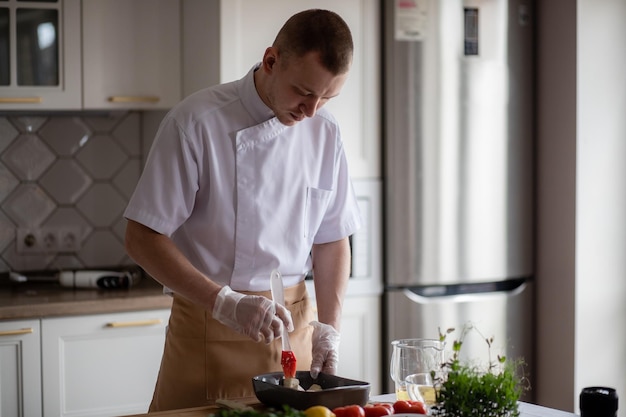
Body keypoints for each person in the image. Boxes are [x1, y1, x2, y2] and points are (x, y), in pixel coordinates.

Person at [124, 8, 361, 412]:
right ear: (271, 61)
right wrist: (224, 303)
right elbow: (141, 237)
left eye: (327, 98)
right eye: (303, 92)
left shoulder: (326, 132)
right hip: (207, 327)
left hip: (294, 335)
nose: (311, 111)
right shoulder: (195, 122)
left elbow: (333, 238)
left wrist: (329, 330)